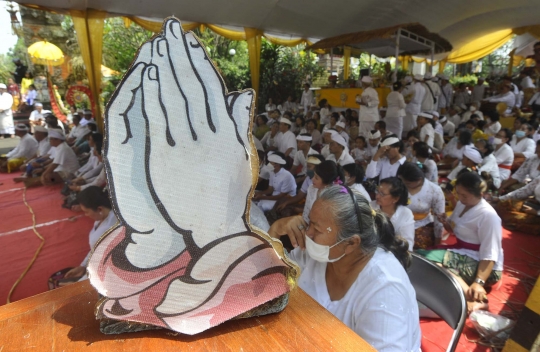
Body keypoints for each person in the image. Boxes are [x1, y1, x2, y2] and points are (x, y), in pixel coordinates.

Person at [268, 185, 421, 351]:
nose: (307, 233)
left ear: (351, 243)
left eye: (316, 229)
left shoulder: (385, 288)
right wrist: (275, 230)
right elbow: (268, 282)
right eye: (309, 223)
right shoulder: (315, 253)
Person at [418, 172, 503, 313]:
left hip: (484, 265)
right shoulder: (462, 205)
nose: (460, 198)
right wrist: (446, 223)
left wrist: (479, 282)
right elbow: (455, 230)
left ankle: (472, 296)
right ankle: (463, 287)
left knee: (429, 261)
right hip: (464, 251)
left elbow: (490, 254)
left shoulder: (489, 216)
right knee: (421, 257)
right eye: (458, 194)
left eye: (464, 195)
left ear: (479, 195)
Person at [62, 186, 118, 282]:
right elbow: (96, 249)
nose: (86, 215)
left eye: (86, 212)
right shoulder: (104, 217)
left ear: (99, 209)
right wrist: (83, 266)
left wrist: (84, 279)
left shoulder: (107, 229)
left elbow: (103, 261)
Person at [397, 162, 445, 249]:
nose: (405, 185)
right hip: (398, 222)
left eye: (408, 184)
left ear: (419, 179)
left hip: (421, 224)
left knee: (415, 246)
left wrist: (437, 242)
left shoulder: (434, 190)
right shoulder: (399, 185)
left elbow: (439, 219)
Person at [274, 155, 325, 220]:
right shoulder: (308, 179)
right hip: (307, 205)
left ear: (317, 168)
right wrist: (286, 203)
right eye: (307, 166)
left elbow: (320, 207)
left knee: (290, 212)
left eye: (309, 167)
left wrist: (301, 210)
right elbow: (299, 196)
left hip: (315, 210)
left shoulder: (323, 183)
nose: (307, 169)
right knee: (283, 201)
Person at [371, 177, 415, 251]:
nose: (377, 196)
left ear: (395, 199)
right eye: (377, 191)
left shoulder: (405, 214)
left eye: (382, 194)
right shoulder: (370, 206)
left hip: (394, 252)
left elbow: (407, 244)